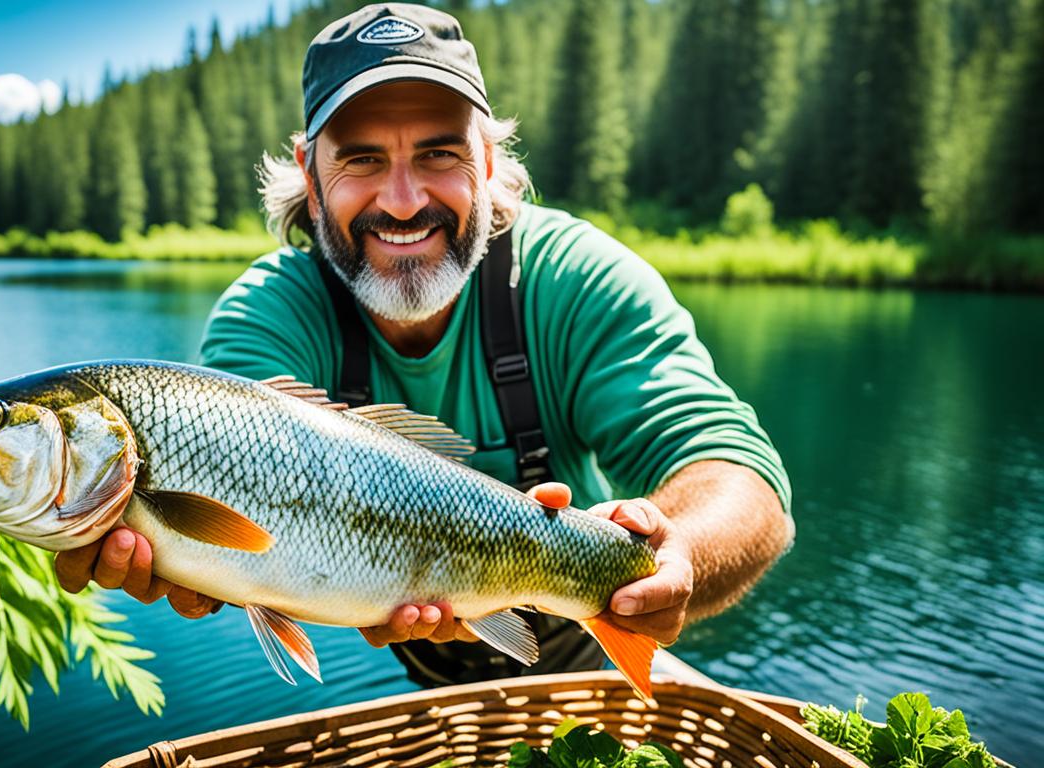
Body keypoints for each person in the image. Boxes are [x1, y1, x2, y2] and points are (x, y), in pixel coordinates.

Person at [55, 3, 794, 686]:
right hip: (428, 680)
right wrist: (188, 568)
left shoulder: (576, 278)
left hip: (589, 649)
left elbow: (737, 473)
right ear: (312, 180)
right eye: (363, 160)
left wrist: (674, 558)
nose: (403, 202)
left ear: (490, 166)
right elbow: (224, 553)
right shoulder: (267, 317)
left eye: (440, 155)